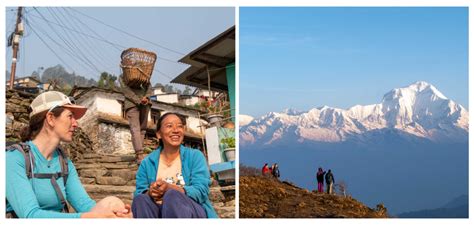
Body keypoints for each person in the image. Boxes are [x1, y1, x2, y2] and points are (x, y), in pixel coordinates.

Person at [5, 91, 131, 218]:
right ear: (50, 118)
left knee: (114, 204)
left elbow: (84, 204)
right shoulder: (14, 158)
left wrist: (115, 214)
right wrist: (85, 218)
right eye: (70, 116)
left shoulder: (63, 162)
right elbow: (29, 215)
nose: (76, 124)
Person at [131, 112, 218, 218]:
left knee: (172, 196)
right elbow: (139, 192)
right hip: (157, 212)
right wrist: (150, 192)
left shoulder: (195, 156)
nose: (176, 130)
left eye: (180, 126)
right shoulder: (147, 163)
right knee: (141, 200)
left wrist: (171, 188)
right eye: (169, 126)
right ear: (159, 134)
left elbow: (201, 191)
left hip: (191, 211)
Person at [119, 75, 152, 164]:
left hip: (145, 104)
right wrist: (139, 100)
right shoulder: (123, 76)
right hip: (132, 104)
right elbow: (126, 90)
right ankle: (139, 153)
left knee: (142, 129)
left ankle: (139, 155)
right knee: (135, 129)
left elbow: (149, 86)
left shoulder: (143, 73)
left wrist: (147, 97)